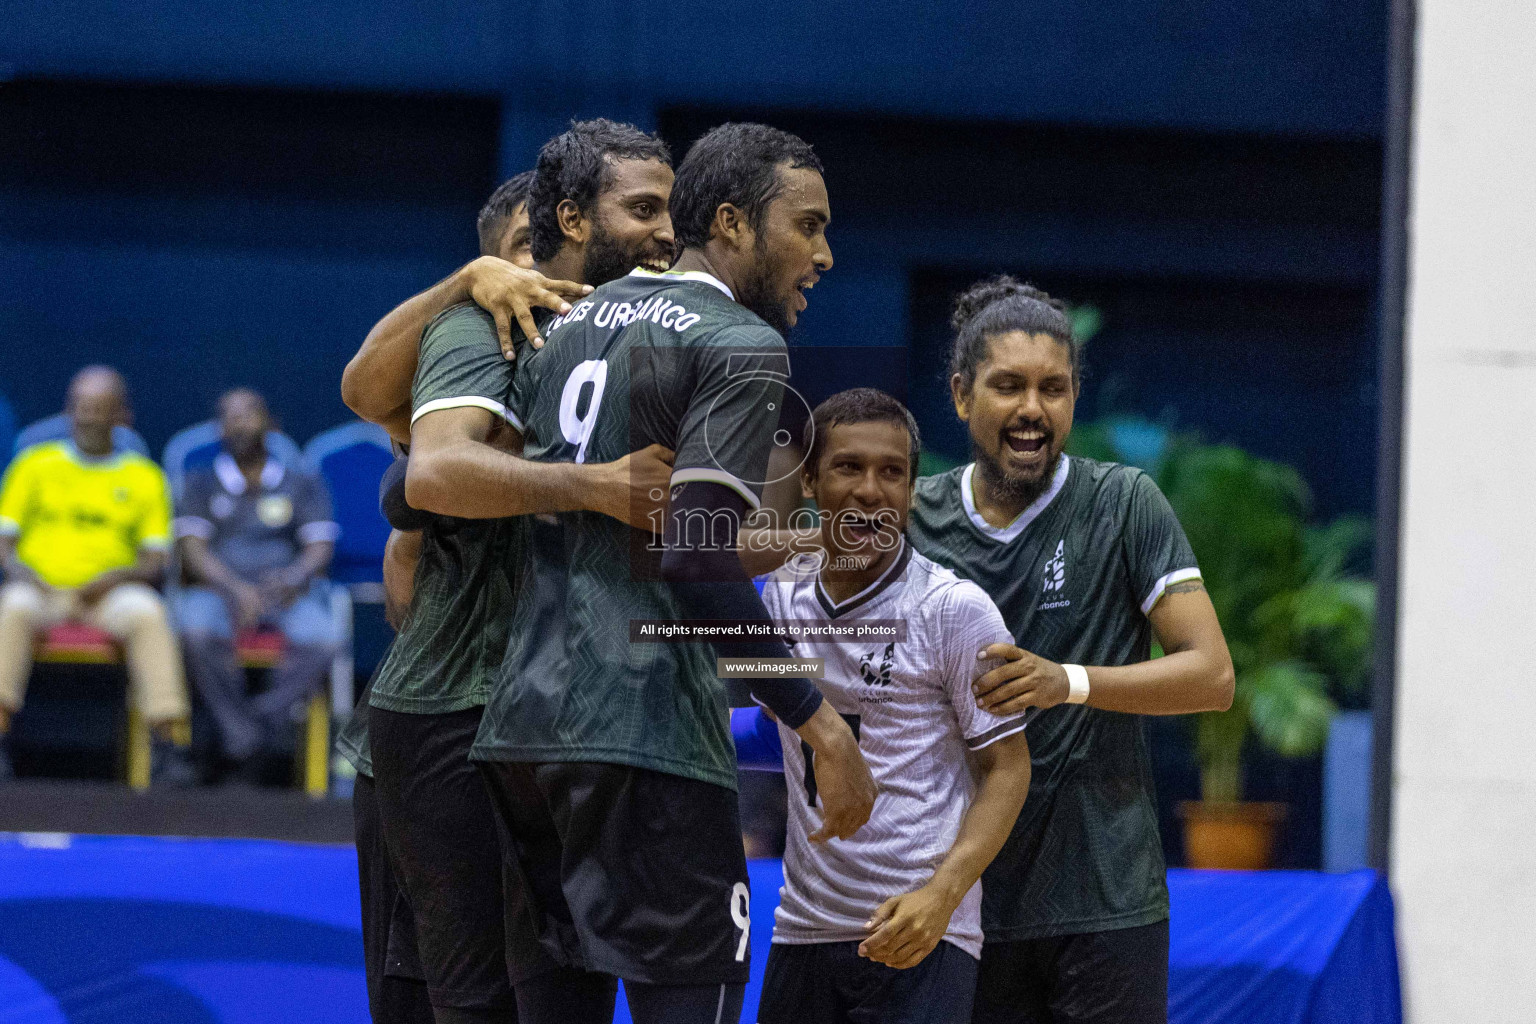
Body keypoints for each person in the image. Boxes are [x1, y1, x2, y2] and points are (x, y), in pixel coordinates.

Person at [469, 122, 875, 1024]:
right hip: (646, 730)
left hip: (526, 731)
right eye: (806, 226)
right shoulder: (739, 341)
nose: (825, 254)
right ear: (730, 223)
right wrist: (821, 727)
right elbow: (694, 553)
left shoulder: (567, 324)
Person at [347, 120, 681, 1024]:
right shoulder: (477, 326)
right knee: (444, 997)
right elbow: (395, 433)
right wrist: (596, 488)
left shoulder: (648, 342)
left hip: (562, 714)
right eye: (518, 255)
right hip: (449, 706)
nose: (531, 275)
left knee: (564, 991)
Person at [904, 278, 1236, 1024]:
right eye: (1009, 386)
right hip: (959, 898)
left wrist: (1069, 682)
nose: (1033, 409)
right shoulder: (911, 518)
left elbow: (1212, 675)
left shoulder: (1122, 503)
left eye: (1054, 388)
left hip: (1106, 904)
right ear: (961, 395)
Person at [754, 389, 1034, 1024]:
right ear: (808, 480)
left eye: (892, 472)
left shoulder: (954, 610)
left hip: (922, 934)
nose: (871, 491)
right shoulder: (779, 593)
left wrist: (941, 897)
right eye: (849, 467)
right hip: (803, 928)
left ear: (911, 489)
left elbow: (1008, 769)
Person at [336, 169, 538, 1024]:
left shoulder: (615, 359)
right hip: (433, 728)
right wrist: (465, 281)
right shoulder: (469, 348)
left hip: (545, 729)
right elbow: (361, 390)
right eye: (525, 249)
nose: (544, 271)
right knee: (425, 995)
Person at [0, 366, 195, 784]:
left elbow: (155, 561)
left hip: (108, 597)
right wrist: (27, 576)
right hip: (40, 592)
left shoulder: (144, 477)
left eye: (98, 409)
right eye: (80, 408)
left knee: (148, 611)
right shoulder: (34, 465)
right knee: (12, 606)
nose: (87, 417)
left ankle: (168, 743)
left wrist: (111, 580)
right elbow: (3, 543)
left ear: (122, 416)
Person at [173, 388, 340, 772]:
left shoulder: (301, 481)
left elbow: (319, 548)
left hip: (283, 590)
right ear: (219, 428)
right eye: (230, 416)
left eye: (249, 413)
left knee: (325, 637)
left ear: (272, 424)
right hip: (218, 589)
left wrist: (290, 578)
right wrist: (236, 590)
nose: (240, 423)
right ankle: (246, 734)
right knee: (194, 630)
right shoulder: (201, 483)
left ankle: (253, 724)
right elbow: (193, 550)